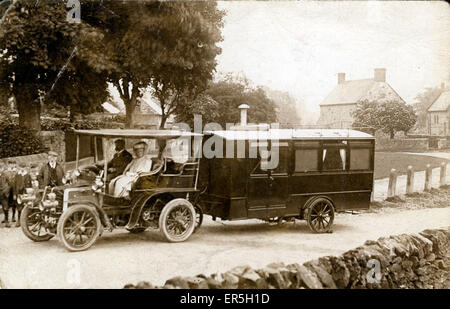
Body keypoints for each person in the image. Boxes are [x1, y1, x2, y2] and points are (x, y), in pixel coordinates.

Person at [12, 163, 32, 227]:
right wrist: (14, 194)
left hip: (25, 193)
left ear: (25, 168)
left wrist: (30, 193)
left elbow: (30, 185)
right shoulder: (17, 175)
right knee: (19, 207)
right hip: (19, 193)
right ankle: (19, 221)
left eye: (23, 167)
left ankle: (26, 221)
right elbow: (14, 185)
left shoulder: (28, 175)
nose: (22, 168)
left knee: (26, 206)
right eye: (21, 167)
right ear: (19, 168)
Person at [1, 160, 17, 227]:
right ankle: (5, 218)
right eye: (10, 164)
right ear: (8, 165)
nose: (12, 165)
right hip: (7, 190)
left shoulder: (16, 172)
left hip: (14, 189)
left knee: (14, 203)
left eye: (13, 164)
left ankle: (13, 216)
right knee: (6, 204)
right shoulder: (5, 172)